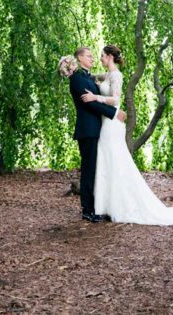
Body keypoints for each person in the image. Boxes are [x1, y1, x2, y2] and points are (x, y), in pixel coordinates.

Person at [81, 44, 173, 225]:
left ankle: (119, 205)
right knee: (108, 160)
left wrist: (95, 97)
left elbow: (116, 99)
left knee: (114, 159)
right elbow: (89, 76)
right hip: (105, 122)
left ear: (109, 57)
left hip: (112, 123)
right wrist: (71, 69)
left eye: (101, 56)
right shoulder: (107, 74)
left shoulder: (116, 75)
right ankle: (106, 205)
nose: (99, 58)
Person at [60, 47, 126, 223]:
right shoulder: (77, 78)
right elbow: (89, 104)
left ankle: (97, 206)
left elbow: (106, 90)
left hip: (98, 128)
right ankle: (87, 210)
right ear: (79, 58)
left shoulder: (88, 76)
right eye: (89, 56)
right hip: (87, 129)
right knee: (88, 170)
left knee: (96, 169)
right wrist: (113, 113)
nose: (93, 59)